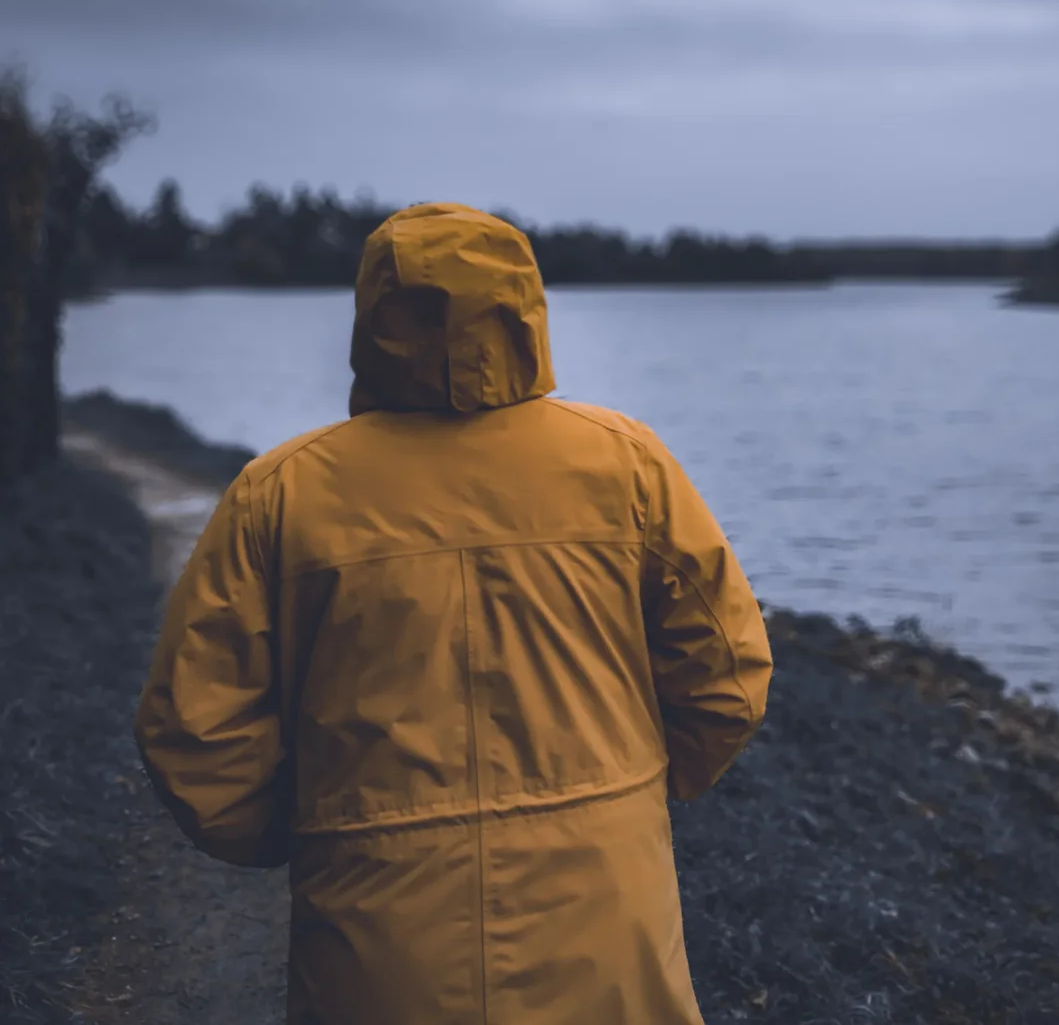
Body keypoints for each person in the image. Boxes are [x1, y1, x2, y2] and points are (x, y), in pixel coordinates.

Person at [133, 202, 774, 1025]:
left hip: (373, 936)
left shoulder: (282, 491)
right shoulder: (626, 464)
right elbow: (725, 676)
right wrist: (636, 792)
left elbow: (195, 730)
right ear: (523, 306)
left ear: (372, 316)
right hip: (608, 909)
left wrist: (308, 832)